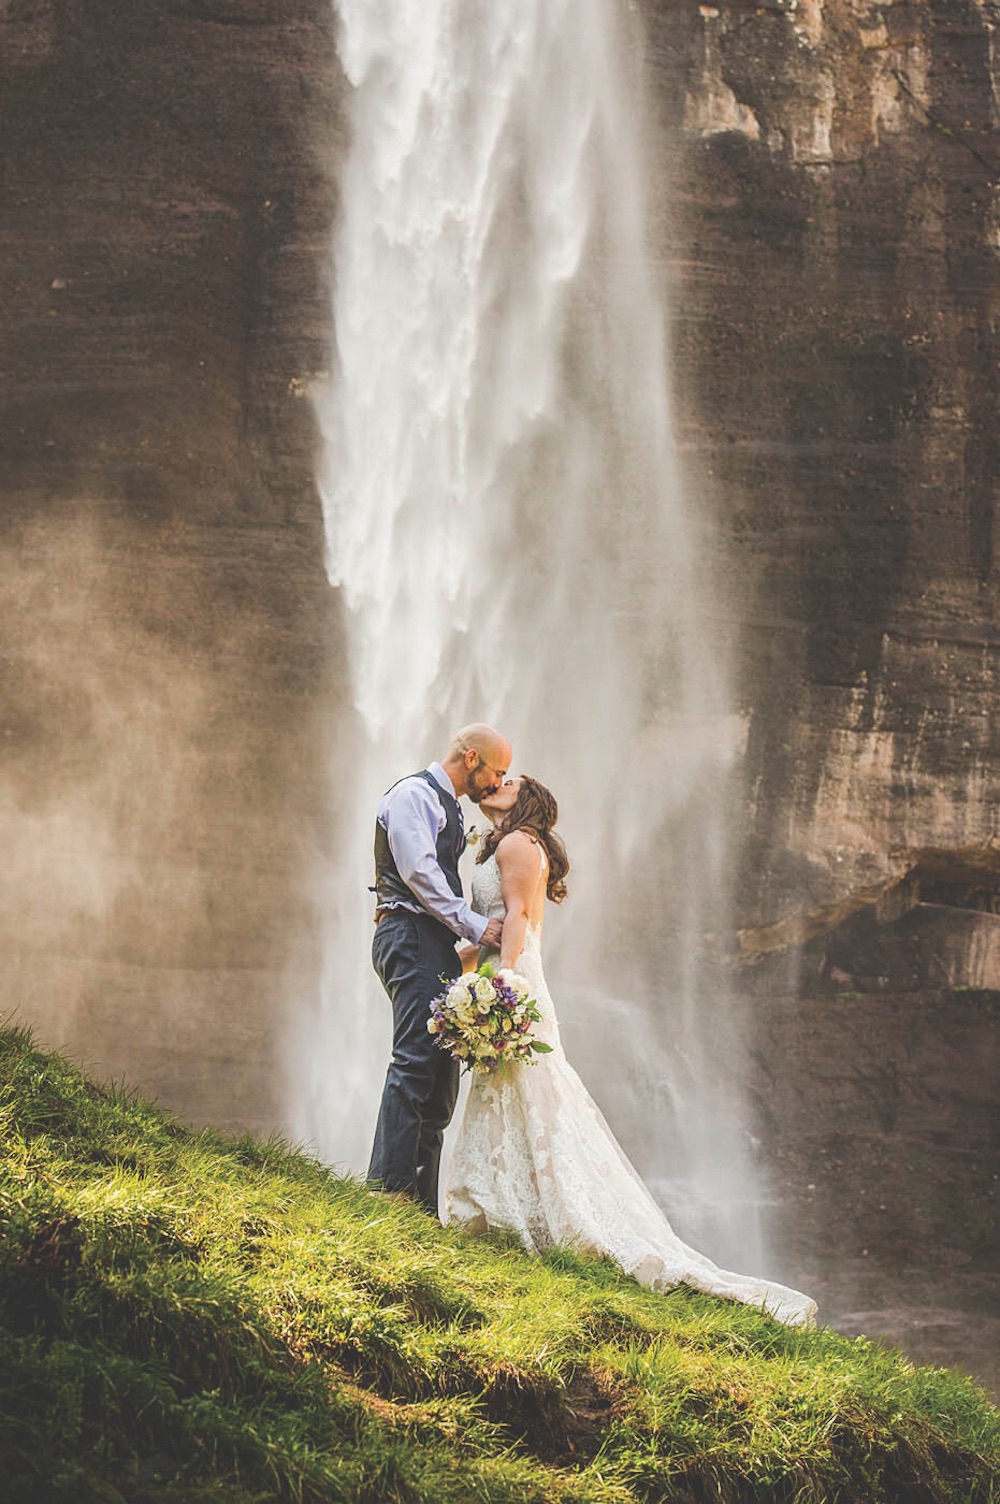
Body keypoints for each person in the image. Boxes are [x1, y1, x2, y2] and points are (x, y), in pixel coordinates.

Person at [444, 775, 818, 1328]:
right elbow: (499, 923)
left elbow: (519, 917)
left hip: (515, 981)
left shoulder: (521, 842)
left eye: (510, 779)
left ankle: (510, 1210)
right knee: (516, 1092)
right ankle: (497, 1205)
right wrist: (469, 964)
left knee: (530, 1093)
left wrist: (498, 987)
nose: (496, 782)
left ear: (527, 798)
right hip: (507, 974)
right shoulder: (503, 843)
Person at [367, 723, 513, 1217]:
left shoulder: (448, 807)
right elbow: (418, 873)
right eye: (497, 772)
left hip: (433, 946)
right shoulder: (413, 794)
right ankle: (385, 1189)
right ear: (472, 758)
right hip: (408, 936)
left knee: (440, 1078)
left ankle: (419, 1208)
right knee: (413, 1060)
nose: (497, 784)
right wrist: (476, 926)